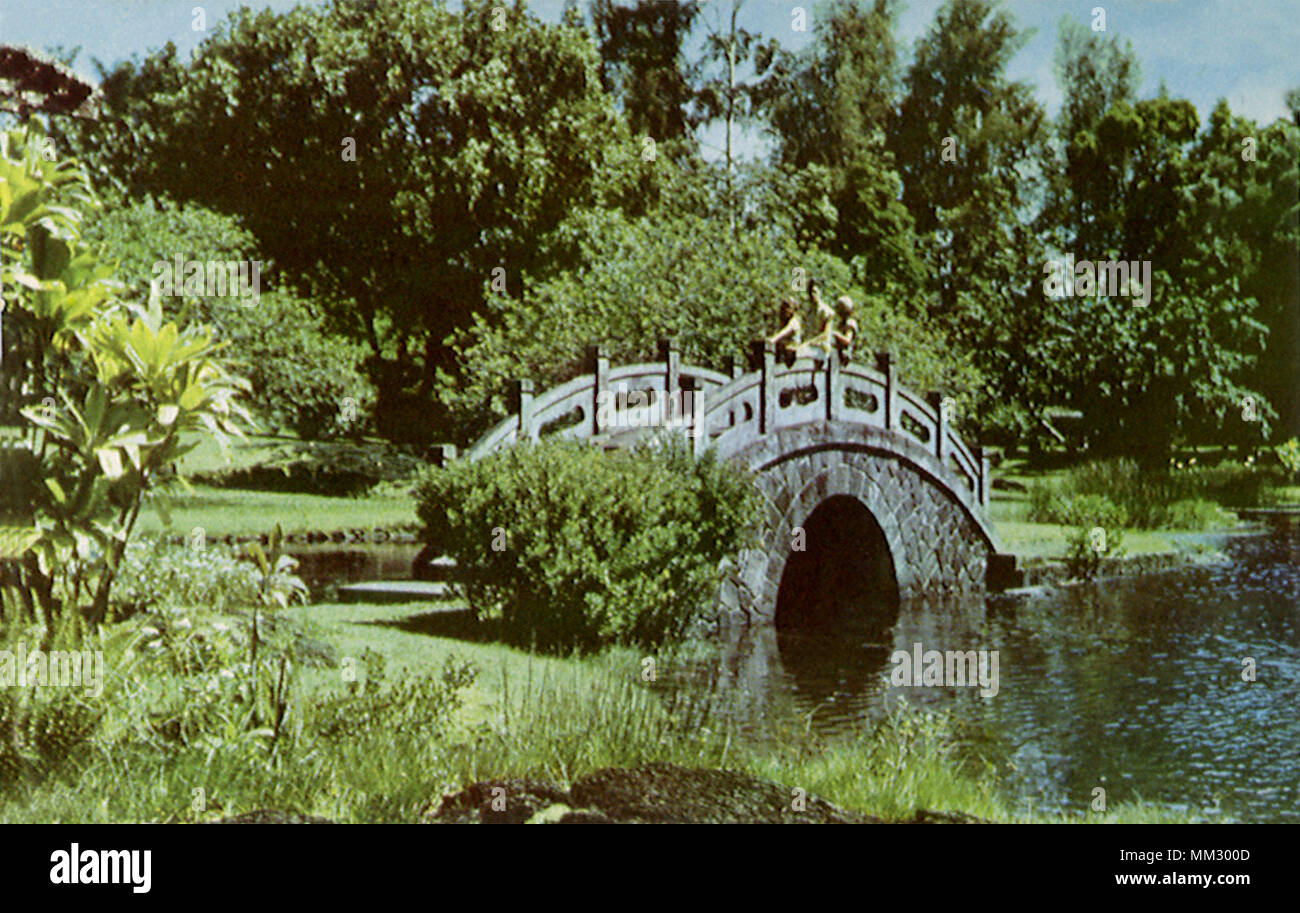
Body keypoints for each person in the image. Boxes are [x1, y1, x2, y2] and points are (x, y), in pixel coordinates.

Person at [768, 298, 802, 366]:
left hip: (793, 354)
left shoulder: (794, 322)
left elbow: (784, 332)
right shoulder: (783, 321)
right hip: (784, 353)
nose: (786, 310)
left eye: (789, 308)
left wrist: (773, 339)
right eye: (785, 308)